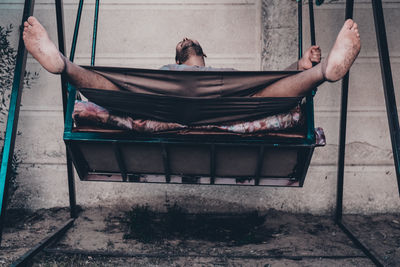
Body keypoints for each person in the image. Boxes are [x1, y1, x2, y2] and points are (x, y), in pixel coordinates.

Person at [22, 16, 360, 98]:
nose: (186, 39)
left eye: (191, 40)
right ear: (178, 58)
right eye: (184, 42)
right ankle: (61, 63)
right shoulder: (162, 73)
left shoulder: (221, 72)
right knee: (120, 89)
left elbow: (267, 82)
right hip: (163, 97)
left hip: (223, 102)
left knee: (259, 91)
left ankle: (321, 72)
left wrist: (296, 66)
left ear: (202, 56)